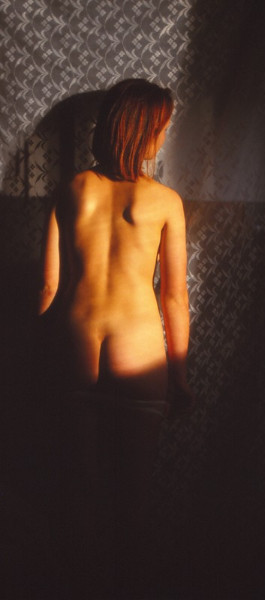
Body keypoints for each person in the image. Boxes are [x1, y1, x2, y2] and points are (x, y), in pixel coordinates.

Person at [37, 78, 193, 596]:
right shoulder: (165, 201)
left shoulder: (72, 189)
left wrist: (41, 355)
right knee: (131, 500)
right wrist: (180, 374)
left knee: (77, 493)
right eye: (162, 128)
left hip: (74, 344)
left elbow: (48, 288)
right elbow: (174, 297)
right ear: (143, 130)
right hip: (137, 350)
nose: (164, 138)